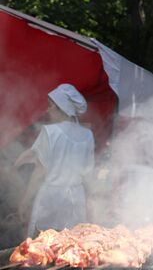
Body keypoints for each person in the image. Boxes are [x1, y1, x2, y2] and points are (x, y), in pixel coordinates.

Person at [11, 83, 95, 237]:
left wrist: (24, 201)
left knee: (44, 244)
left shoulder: (50, 132)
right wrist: (90, 201)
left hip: (51, 198)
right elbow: (87, 173)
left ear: (61, 108)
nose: (47, 110)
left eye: (50, 106)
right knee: (71, 246)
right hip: (76, 198)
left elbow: (39, 172)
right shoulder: (87, 135)